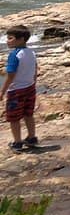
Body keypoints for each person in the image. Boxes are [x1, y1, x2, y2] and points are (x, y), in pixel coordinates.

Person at [3, 25, 39, 153]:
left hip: (16, 91)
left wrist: (2, 92)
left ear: (22, 39)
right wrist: (33, 83)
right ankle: (31, 137)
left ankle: (17, 142)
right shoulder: (32, 52)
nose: (7, 40)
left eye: (10, 38)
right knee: (28, 114)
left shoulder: (14, 55)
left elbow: (11, 75)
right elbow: (35, 70)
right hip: (29, 88)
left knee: (14, 118)